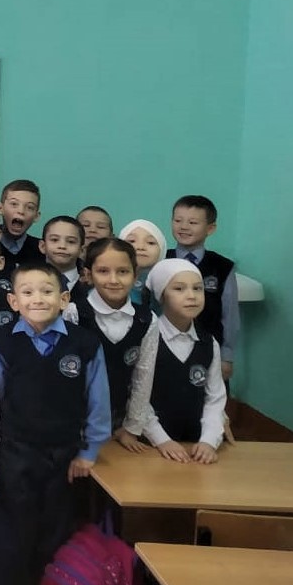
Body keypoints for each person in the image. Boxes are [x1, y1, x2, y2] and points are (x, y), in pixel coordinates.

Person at [0, 263, 110, 585]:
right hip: (15, 453)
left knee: (57, 534)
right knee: (16, 536)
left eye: (46, 291)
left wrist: (89, 452)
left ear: (64, 298)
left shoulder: (85, 343)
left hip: (65, 456)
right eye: (27, 292)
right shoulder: (3, 340)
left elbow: (98, 401)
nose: (37, 299)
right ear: (13, 301)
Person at [120, 258, 227, 464]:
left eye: (198, 288)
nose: (191, 296)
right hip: (148, 446)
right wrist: (162, 440)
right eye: (179, 288)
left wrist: (209, 441)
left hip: (194, 448)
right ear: (161, 296)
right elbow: (137, 394)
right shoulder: (146, 337)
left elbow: (215, 399)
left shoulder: (208, 342)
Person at [63, 238, 153, 436]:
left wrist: (132, 428)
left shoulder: (147, 319)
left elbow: (143, 377)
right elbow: (65, 374)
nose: (113, 280)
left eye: (123, 271)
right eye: (103, 271)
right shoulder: (73, 313)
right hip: (76, 423)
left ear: (135, 274)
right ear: (88, 275)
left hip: (119, 421)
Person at [167, 195, 239, 382]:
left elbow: (230, 315)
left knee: (209, 396)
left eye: (192, 222)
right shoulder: (161, 260)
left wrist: (227, 356)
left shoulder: (223, 267)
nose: (183, 227)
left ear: (210, 228)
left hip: (209, 348)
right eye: (178, 220)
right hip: (165, 347)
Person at [0, 179, 44, 277]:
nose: (21, 211)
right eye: (14, 204)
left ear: (36, 216)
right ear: (0, 208)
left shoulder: (42, 249)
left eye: (29, 207)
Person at [120, 219, 167, 308]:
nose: (140, 247)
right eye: (132, 241)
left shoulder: (169, 286)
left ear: (162, 249)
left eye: (150, 242)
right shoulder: (109, 284)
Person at [39, 216, 86, 298]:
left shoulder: (91, 286)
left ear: (81, 250)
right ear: (42, 246)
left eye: (71, 241)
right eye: (54, 240)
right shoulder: (25, 281)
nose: (62, 246)